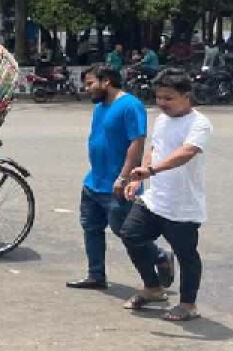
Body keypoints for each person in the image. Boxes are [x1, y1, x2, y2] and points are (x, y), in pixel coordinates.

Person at [66, 65, 173, 291]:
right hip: (93, 181)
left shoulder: (130, 106)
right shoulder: (100, 107)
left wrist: (123, 177)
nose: (87, 89)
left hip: (118, 185)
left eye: (90, 83)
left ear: (106, 82)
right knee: (91, 228)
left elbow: (137, 142)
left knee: (126, 232)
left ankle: (160, 256)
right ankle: (96, 275)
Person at [119, 69, 211, 321]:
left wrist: (151, 170)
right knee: (130, 234)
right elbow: (155, 147)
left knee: (186, 255)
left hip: (183, 206)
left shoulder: (199, 124)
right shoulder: (160, 119)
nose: (161, 103)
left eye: (168, 98)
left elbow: (185, 153)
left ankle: (189, 304)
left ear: (186, 96)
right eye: (158, 97)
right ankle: (153, 288)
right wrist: (140, 179)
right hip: (154, 200)